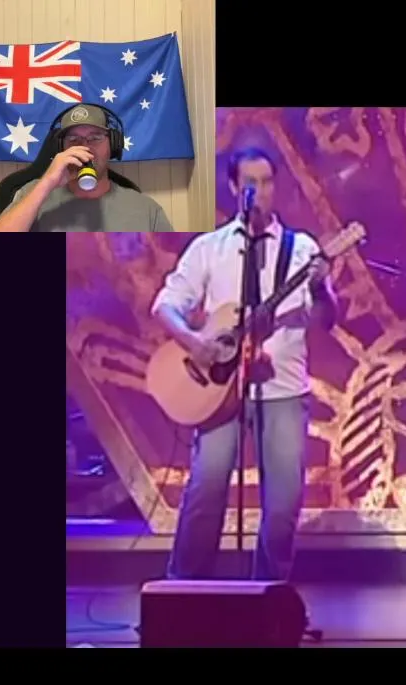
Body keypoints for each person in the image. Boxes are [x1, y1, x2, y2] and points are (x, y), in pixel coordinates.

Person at [150, 146, 338, 580]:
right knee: (206, 491)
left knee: (283, 504)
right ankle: (184, 591)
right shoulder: (209, 248)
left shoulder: (302, 249)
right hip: (221, 392)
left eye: (267, 182)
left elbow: (327, 319)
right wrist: (195, 342)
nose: (260, 191)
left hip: (283, 390)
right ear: (235, 188)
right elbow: (166, 305)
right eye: (250, 183)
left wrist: (321, 288)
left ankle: (269, 595)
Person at [0, 103, 174, 232]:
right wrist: (47, 182)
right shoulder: (31, 194)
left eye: (95, 138)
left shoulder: (146, 210)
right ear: (61, 148)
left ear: (113, 146)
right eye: (73, 139)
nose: (84, 147)